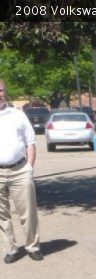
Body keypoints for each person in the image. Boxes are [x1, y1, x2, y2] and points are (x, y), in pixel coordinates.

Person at [0, 78, 43, 263]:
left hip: (19, 169)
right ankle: (10, 249)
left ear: (5, 92)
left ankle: (33, 246)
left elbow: (30, 142)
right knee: (2, 215)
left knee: (28, 211)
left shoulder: (17, 114)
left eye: (0, 90)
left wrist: (29, 168)